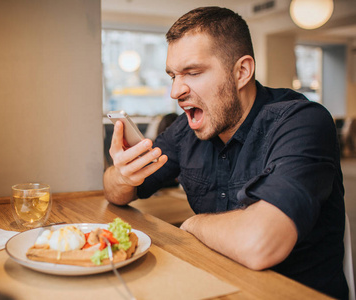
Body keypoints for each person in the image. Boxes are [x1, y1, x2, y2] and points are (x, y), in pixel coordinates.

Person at [103, 6, 348, 299]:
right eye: (173, 76)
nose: (175, 91)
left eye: (192, 72)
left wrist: (192, 224)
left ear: (242, 71)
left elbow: (260, 244)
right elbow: (116, 193)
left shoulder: (302, 121)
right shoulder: (186, 130)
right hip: (213, 283)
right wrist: (123, 174)